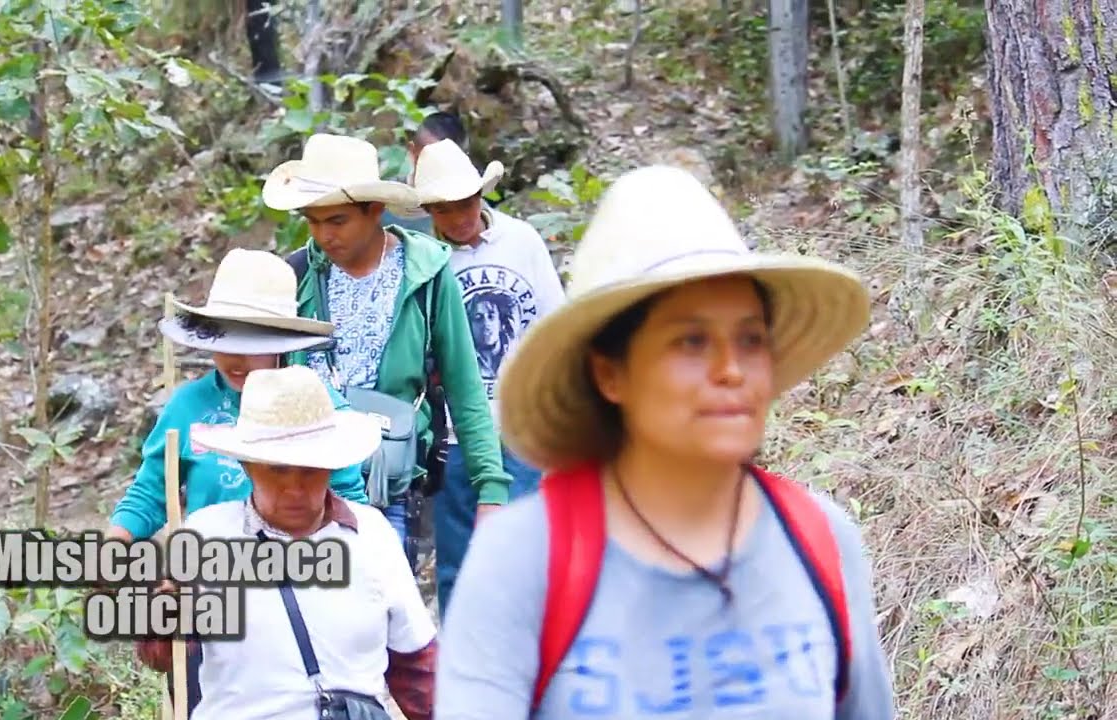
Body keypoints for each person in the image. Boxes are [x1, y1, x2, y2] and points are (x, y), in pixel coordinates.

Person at [435, 165, 895, 718]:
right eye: (691, 341)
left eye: (751, 339)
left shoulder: (819, 539)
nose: (731, 369)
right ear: (610, 374)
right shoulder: (521, 560)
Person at [106, 249, 368, 712]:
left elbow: (350, 505)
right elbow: (150, 492)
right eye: (223, 338)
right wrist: (115, 544)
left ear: (282, 340)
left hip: (298, 595)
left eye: (252, 341)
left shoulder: (317, 407)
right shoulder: (188, 407)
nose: (235, 356)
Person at [261, 132, 512, 565]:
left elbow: (464, 386)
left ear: (375, 209)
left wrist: (490, 489)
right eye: (313, 221)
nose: (323, 235)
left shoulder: (425, 274)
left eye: (337, 221)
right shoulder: (298, 274)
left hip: (387, 482)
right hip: (302, 482)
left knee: (383, 598)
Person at [135, 365, 436, 720]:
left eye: (309, 469)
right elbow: (161, 655)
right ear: (248, 466)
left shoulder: (371, 536)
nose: (294, 488)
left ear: (331, 466)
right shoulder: (205, 536)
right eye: (277, 469)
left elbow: (416, 668)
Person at [406, 138, 566, 617]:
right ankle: (460, 654)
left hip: (520, 427)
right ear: (429, 211)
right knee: (458, 561)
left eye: (466, 203)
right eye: (444, 209)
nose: (459, 218)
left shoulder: (521, 242)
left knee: (523, 556)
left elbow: (554, 326)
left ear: (481, 195)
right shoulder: (423, 259)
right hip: (454, 435)